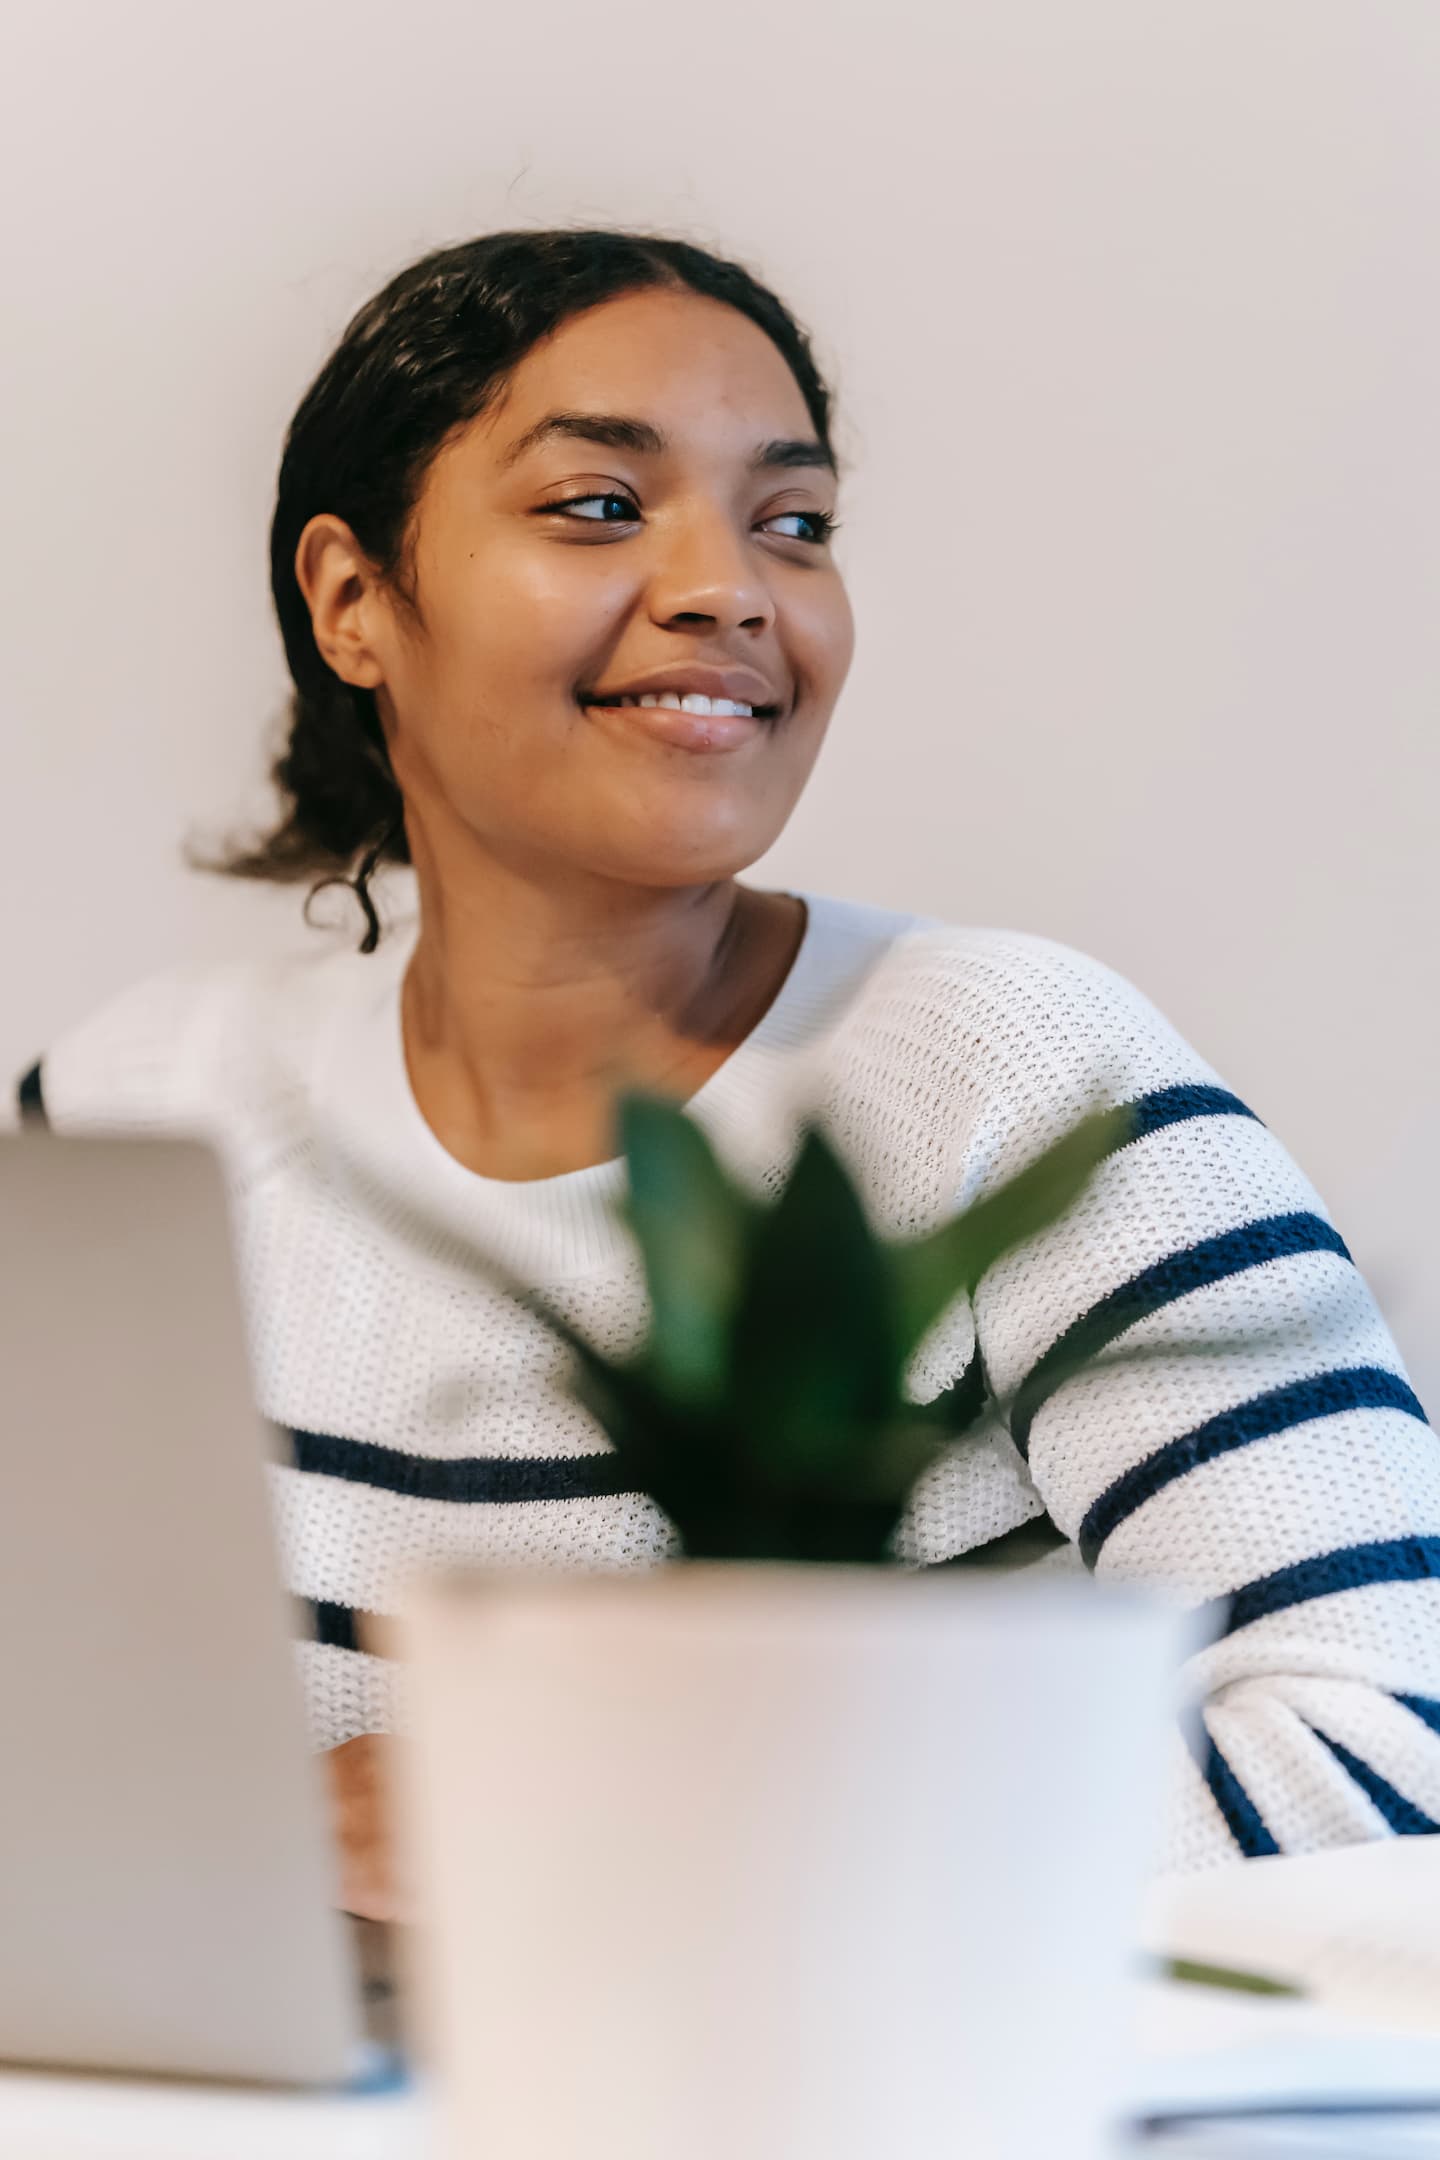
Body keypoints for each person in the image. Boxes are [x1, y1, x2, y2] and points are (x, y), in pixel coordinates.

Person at [11, 227, 1439, 1920]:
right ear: (351, 601)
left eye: (797, 524)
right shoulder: (121, 1110)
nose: (732, 588)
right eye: (601, 506)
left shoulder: (1017, 1076)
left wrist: (609, 1838)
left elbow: (1389, 1745)